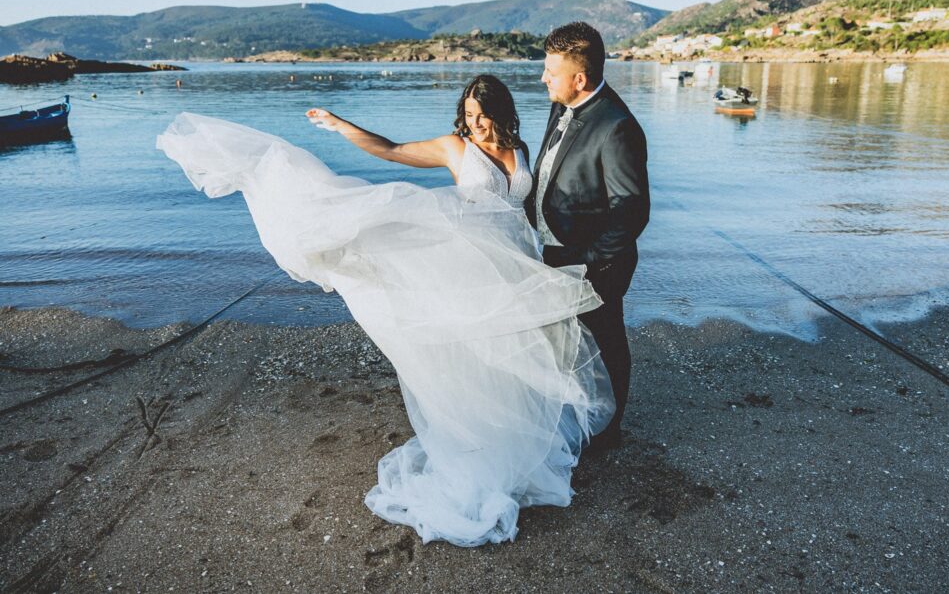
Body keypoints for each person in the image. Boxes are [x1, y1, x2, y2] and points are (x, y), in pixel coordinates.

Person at [156, 74, 613, 547]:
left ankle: (518, 453)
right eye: (470, 115)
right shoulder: (455, 148)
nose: (475, 123)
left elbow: (530, 206)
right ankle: (481, 457)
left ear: (500, 112)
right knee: (478, 358)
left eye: (483, 114)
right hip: (469, 266)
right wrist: (339, 124)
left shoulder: (519, 149)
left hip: (515, 264)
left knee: (516, 359)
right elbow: (391, 150)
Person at [525, 22, 650, 452]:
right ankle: (578, 414)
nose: (543, 78)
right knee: (566, 342)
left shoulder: (617, 128)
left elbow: (631, 210)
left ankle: (608, 430)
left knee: (605, 340)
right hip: (556, 251)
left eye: (551, 72)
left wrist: (591, 262)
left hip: (594, 262)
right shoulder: (562, 106)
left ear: (580, 78)